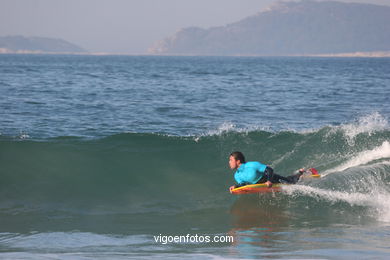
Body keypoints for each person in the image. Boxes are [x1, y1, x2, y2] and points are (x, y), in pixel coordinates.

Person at [228, 151, 304, 193]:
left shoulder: (252, 165)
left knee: (291, 182)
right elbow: (243, 184)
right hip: (261, 184)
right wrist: (236, 187)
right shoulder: (237, 175)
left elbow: (269, 170)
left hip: (271, 178)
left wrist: (269, 181)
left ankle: (300, 173)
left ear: (238, 161)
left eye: (231, 160)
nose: (229, 162)